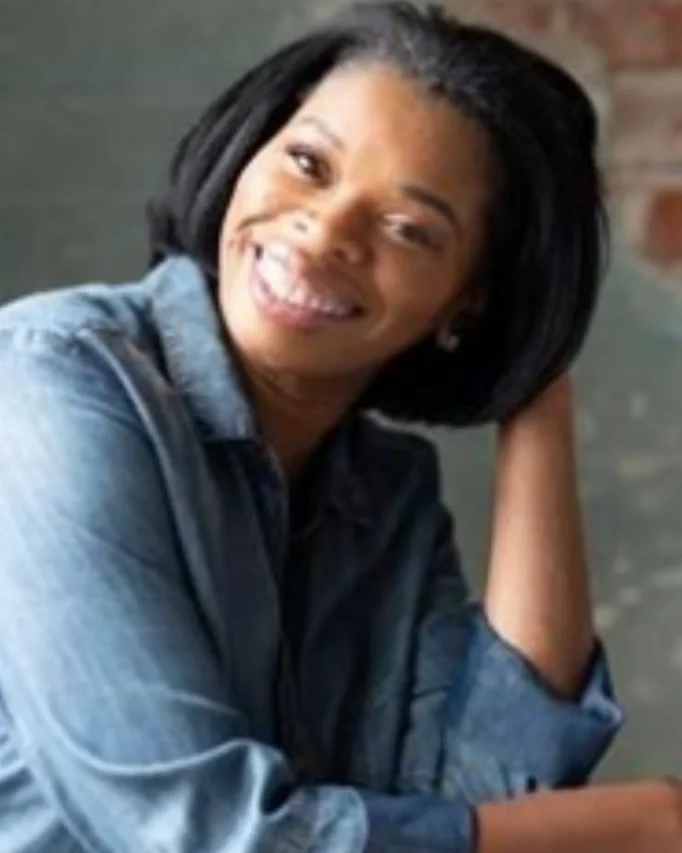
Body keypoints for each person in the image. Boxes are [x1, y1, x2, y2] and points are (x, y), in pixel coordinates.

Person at [0, 2, 680, 851]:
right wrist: (633, 824)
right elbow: (194, 834)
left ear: (465, 301)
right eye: (309, 163)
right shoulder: (51, 381)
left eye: (408, 229)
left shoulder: (384, 497)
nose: (323, 231)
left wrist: (535, 382)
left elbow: (505, 787)